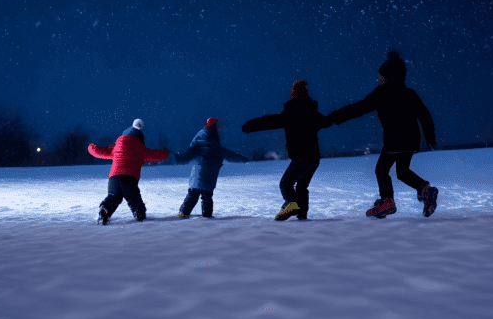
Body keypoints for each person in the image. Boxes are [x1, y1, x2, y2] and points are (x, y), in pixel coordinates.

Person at [327, 51, 439, 218]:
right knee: (402, 171)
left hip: (394, 141)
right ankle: (426, 190)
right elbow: (425, 115)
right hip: (411, 141)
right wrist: (430, 138)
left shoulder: (380, 94)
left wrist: (333, 118)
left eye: (381, 78)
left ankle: (387, 201)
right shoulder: (410, 94)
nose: (379, 80)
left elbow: (358, 108)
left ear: (388, 77)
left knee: (381, 170)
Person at [242, 80, 330, 221]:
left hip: (301, 156)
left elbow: (271, 121)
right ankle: (302, 213)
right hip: (313, 158)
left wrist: (250, 125)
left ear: (294, 94)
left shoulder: (292, 112)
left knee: (286, 184)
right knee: (302, 186)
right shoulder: (313, 112)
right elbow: (325, 122)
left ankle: (291, 204)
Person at [88, 119, 170, 224]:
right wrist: (167, 153)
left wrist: (91, 147)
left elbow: (99, 152)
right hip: (130, 178)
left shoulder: (116, 148)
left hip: (114, 177)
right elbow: (156, 155)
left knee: (113, 197)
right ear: (139, 139)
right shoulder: (141, 150)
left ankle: (104, 210)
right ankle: (139, 213)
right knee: (134, 199)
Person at [175, 118, 249, 218]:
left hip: (199, 172)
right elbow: (229, 154)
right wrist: (242, 159)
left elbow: (190, 152)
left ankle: (184, 213)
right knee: (207, 196)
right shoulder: (215, 142)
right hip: (211, 175)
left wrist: (180, 158)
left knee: (193, 194)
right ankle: (207, 216)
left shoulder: (200, 138)